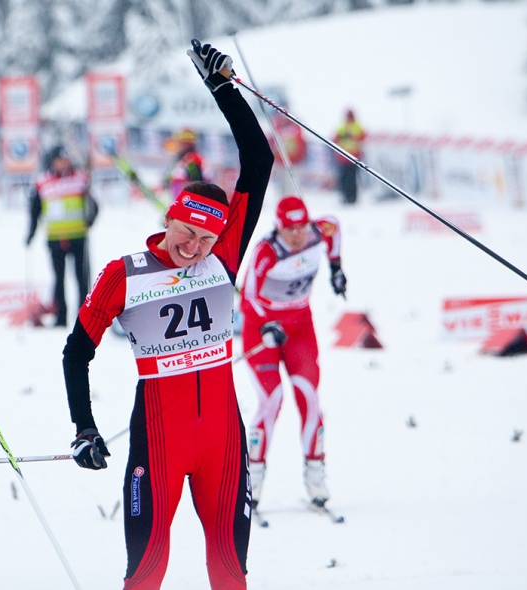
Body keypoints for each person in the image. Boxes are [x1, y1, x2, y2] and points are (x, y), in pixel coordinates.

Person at [63, 42, 273, 589]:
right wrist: (82, 425)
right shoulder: (124, 274)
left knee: (230, 573)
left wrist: (223, 88)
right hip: (157, 441)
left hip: (224, 443)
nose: (193, 247)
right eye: (186, 232)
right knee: (147, 573)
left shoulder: (224, 258)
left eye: (206, 238)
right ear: (169, 219)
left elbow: (260, 160)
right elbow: (76, 352)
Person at [239, 195, 346, 509]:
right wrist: (266, 324)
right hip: (264, 332)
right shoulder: (267, 251)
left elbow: (336, 228)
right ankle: (253, 480)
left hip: (300, 327)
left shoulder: (318, 232)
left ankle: (316, 476)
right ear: (278, 227)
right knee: (272, 401)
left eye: (302, 227)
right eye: (290, 229)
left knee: (309, 397)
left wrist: (336, 268)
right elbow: (248, 297)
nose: (298, 235)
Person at [26, 145, 98, 327]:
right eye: (60, 160)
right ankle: (61, 317)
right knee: (58, 279)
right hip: (55, 237)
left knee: (82, 278)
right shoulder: (42, 181)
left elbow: (93, 205)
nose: (63, 163)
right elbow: (35, 210)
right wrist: (31, 233)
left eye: (66, 160)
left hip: (78, 236)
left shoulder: (81, 178)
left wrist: (89, 221)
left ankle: (84, 316)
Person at [333, 109, 365, 205]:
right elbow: (335, 138)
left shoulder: (356, 126)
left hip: (353, 158)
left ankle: (352, 198)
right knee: (344, 179)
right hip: (344, 158)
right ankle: (346, 196)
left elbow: (362, 137)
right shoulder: (343, 127)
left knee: (352, 179)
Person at [163, 127, 204, 199]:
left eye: (181, 142)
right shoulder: (180, 158)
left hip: (185, 197)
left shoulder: (191, 159)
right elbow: (170, 175)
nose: (178, 145)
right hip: (176, 195)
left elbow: (197, 180)